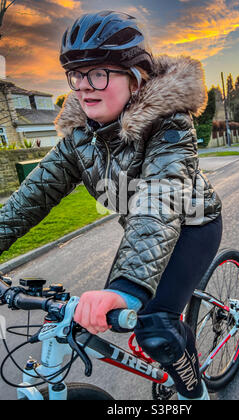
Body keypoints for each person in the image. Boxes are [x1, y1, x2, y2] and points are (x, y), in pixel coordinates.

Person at [0, 11, 222, 400]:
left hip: (192, 226)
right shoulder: (78, 139)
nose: (84, 86)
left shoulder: (170, 126)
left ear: (135, 78)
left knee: (155, 327)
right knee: (121, 317)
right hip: (143, 232)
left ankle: (195, 392)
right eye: (77, 74)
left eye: (99, 73)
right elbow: (28, 200)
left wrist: (124, 286)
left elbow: (160, 199)